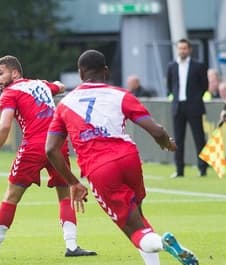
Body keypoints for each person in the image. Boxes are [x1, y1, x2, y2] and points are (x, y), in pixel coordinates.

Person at [46, 49, 198, 265]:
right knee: (138, 218)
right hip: (129, 158)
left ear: (80, 73)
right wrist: (167, 143)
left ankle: (164, 244)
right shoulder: (121, 95)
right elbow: (156, 130)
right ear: (106, 71)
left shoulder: (65, 104)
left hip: (100, 168)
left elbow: (51, 149)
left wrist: (73, 183)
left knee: (133, 228)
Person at [0, 55, 96, 259]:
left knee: (12, 196)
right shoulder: (40, 84)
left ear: (15, 72)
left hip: (34, 147)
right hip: (58, 144)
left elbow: (4, 125)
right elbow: (60, 86)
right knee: (64, 194)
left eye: (0, 73)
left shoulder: (10, 93)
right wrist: (54, 85)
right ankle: (72, 245)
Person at [166, 38, 209, 178]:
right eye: (180, 48)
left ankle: (202, 168)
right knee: (178, 139)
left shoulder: (199, 66)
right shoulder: (172, 66)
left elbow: (204, 85)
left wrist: (195, 98)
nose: (182, 51)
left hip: (194, 106)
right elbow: (169, 86)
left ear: (189, 50)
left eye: (185, 48)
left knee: (199, 138)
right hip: (178, 107)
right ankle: (179, 170)